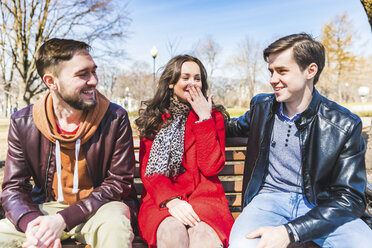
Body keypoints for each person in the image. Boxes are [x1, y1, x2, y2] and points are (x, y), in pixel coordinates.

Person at [227, 33, 372, 248]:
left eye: (282, 71)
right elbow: (231, 127)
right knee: (242, 244)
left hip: (321, 204)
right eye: (271, 71)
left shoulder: (344, 124)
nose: (272, 79)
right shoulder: (262, 107)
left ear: (310, 71)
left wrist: (291, 231)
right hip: (268, 201)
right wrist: (203, 115)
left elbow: (349, 198)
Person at [0, 38, 138, 248]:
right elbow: (13, 187)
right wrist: (34, 228)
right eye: (83, 74)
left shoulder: (114, 118)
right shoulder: (23, 122)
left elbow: (119, 183)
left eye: (93, 71)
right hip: (45, 209)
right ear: (51, 81)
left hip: (100, 209)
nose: (94, 80)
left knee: (115, 226)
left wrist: (62, 220)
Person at [135, 55, 234, 248]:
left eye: (197, 78)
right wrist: (171, 201)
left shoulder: (213, 117)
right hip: (162, 199)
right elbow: (150, 172)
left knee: (203, 237)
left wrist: (204, 118)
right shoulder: (154, 119)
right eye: (185, 77)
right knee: (171, 233)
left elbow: (211, 167)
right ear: (171, 83)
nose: (193, 83)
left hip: (205, 198)